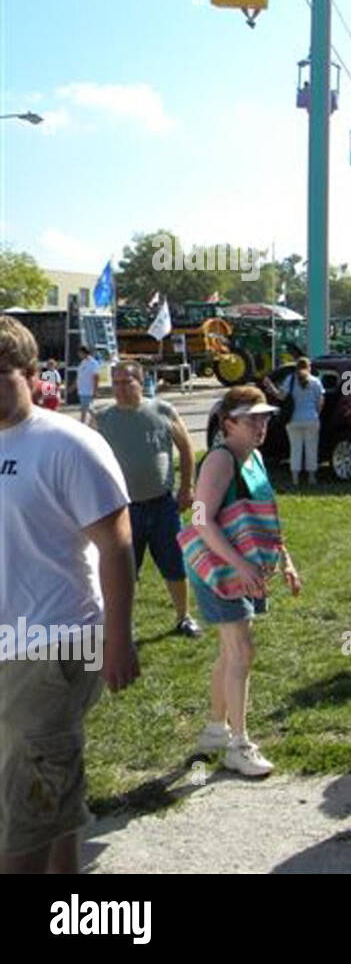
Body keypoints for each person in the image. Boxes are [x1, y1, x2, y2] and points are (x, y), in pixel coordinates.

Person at [0, 316, 138, 874]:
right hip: (10, 642)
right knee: (45, 786)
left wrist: (120, 641)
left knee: (23, 809)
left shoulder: (67, 444)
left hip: (56, 642)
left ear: (34, 376)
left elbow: (116, 545)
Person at [188, 385, 303, 777]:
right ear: (228, 422)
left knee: (230, 651)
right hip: (220, 570)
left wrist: (284, 560)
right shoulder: (220, 461)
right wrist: (239, 565)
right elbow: (200, 520)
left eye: (265, 417)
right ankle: (239, 744)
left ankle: (216, 731)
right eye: (253, 418)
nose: (262, 425)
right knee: (242, 652)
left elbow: (265, 515)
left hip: (240, 566)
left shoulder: (253, 457)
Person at [94, 358, 201, 637]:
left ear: (141, 383)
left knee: (174, 564)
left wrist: (187, 487)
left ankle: (183, 617)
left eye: (126, 382)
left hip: (163, 505)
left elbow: (186, 448)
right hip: (123, 510)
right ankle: (122, 626)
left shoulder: (162, 410)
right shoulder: (102, 418)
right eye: (115, 382)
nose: (119, 388)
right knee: (126, 571)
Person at [265, 357, 324, 487]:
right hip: (311, 419)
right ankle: (311, 477)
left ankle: (295, 479)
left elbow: (280, 396)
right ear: (309, 367)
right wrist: (316, 415)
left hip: (293, 420)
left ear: (296, 367)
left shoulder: (290, 380)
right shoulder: (315, 381)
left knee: (295, 449)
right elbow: (320, 402)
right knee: (311, 448)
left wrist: (270, 386)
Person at [75, 345, 100, 423]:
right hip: (82, 389)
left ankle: (95, 420)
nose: (79, 355)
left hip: (88, 390)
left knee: (87, 408)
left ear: (84, 352)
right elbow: (79, 376)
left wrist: (95, 390)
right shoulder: (82, 362)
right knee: (85, 408)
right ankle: (91, 422)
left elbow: (96, 377)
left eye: (80, 353)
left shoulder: (93, 363)